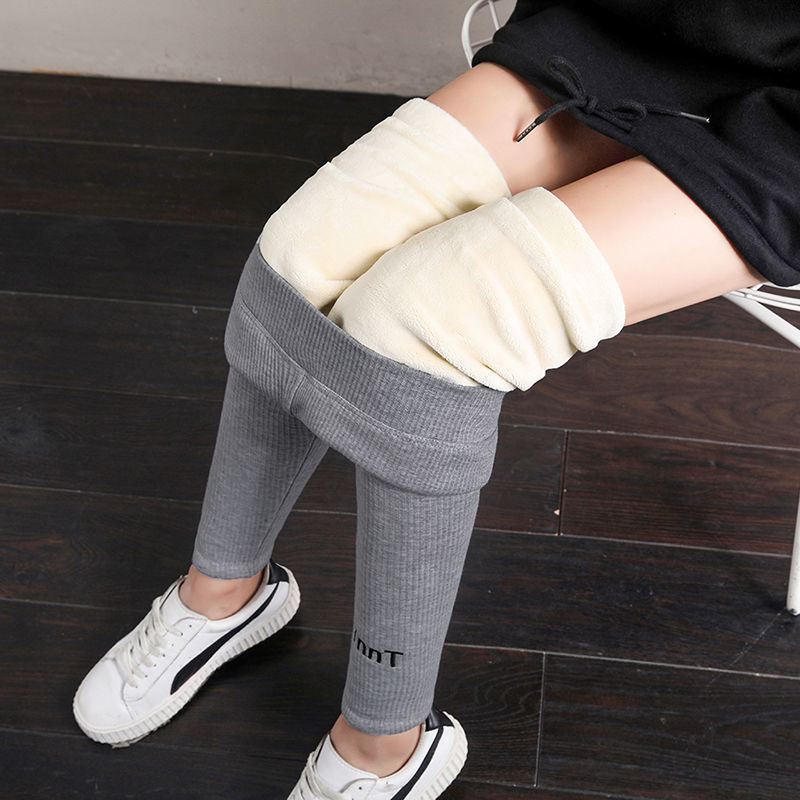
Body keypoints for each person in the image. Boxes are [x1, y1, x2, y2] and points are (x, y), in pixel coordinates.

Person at [72, 1, 799, 798]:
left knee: (427, 325)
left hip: (782, 133)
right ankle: (222, 592)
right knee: (300, 252)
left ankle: (383, 740)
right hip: (632, 30)